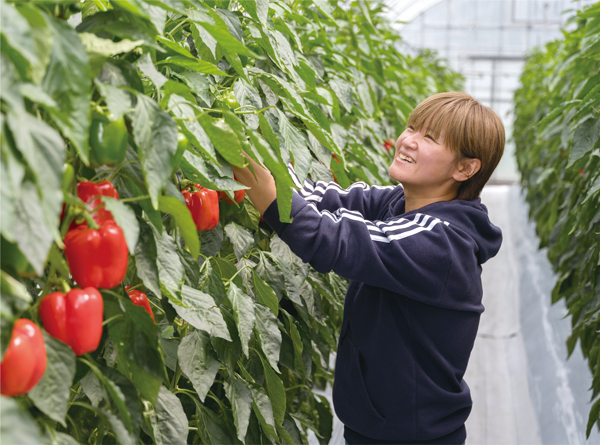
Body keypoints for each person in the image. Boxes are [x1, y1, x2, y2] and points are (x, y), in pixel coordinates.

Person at [232, 92, 505, 445]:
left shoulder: (440, 243)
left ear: (465, 168)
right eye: (411, 127)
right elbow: (320, 198)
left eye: (429, 138)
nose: (408, 140)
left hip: (410, 437)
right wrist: (248, 143)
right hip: (378, 425)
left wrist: (254, 179)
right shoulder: (401, 202)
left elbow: (327, 238)